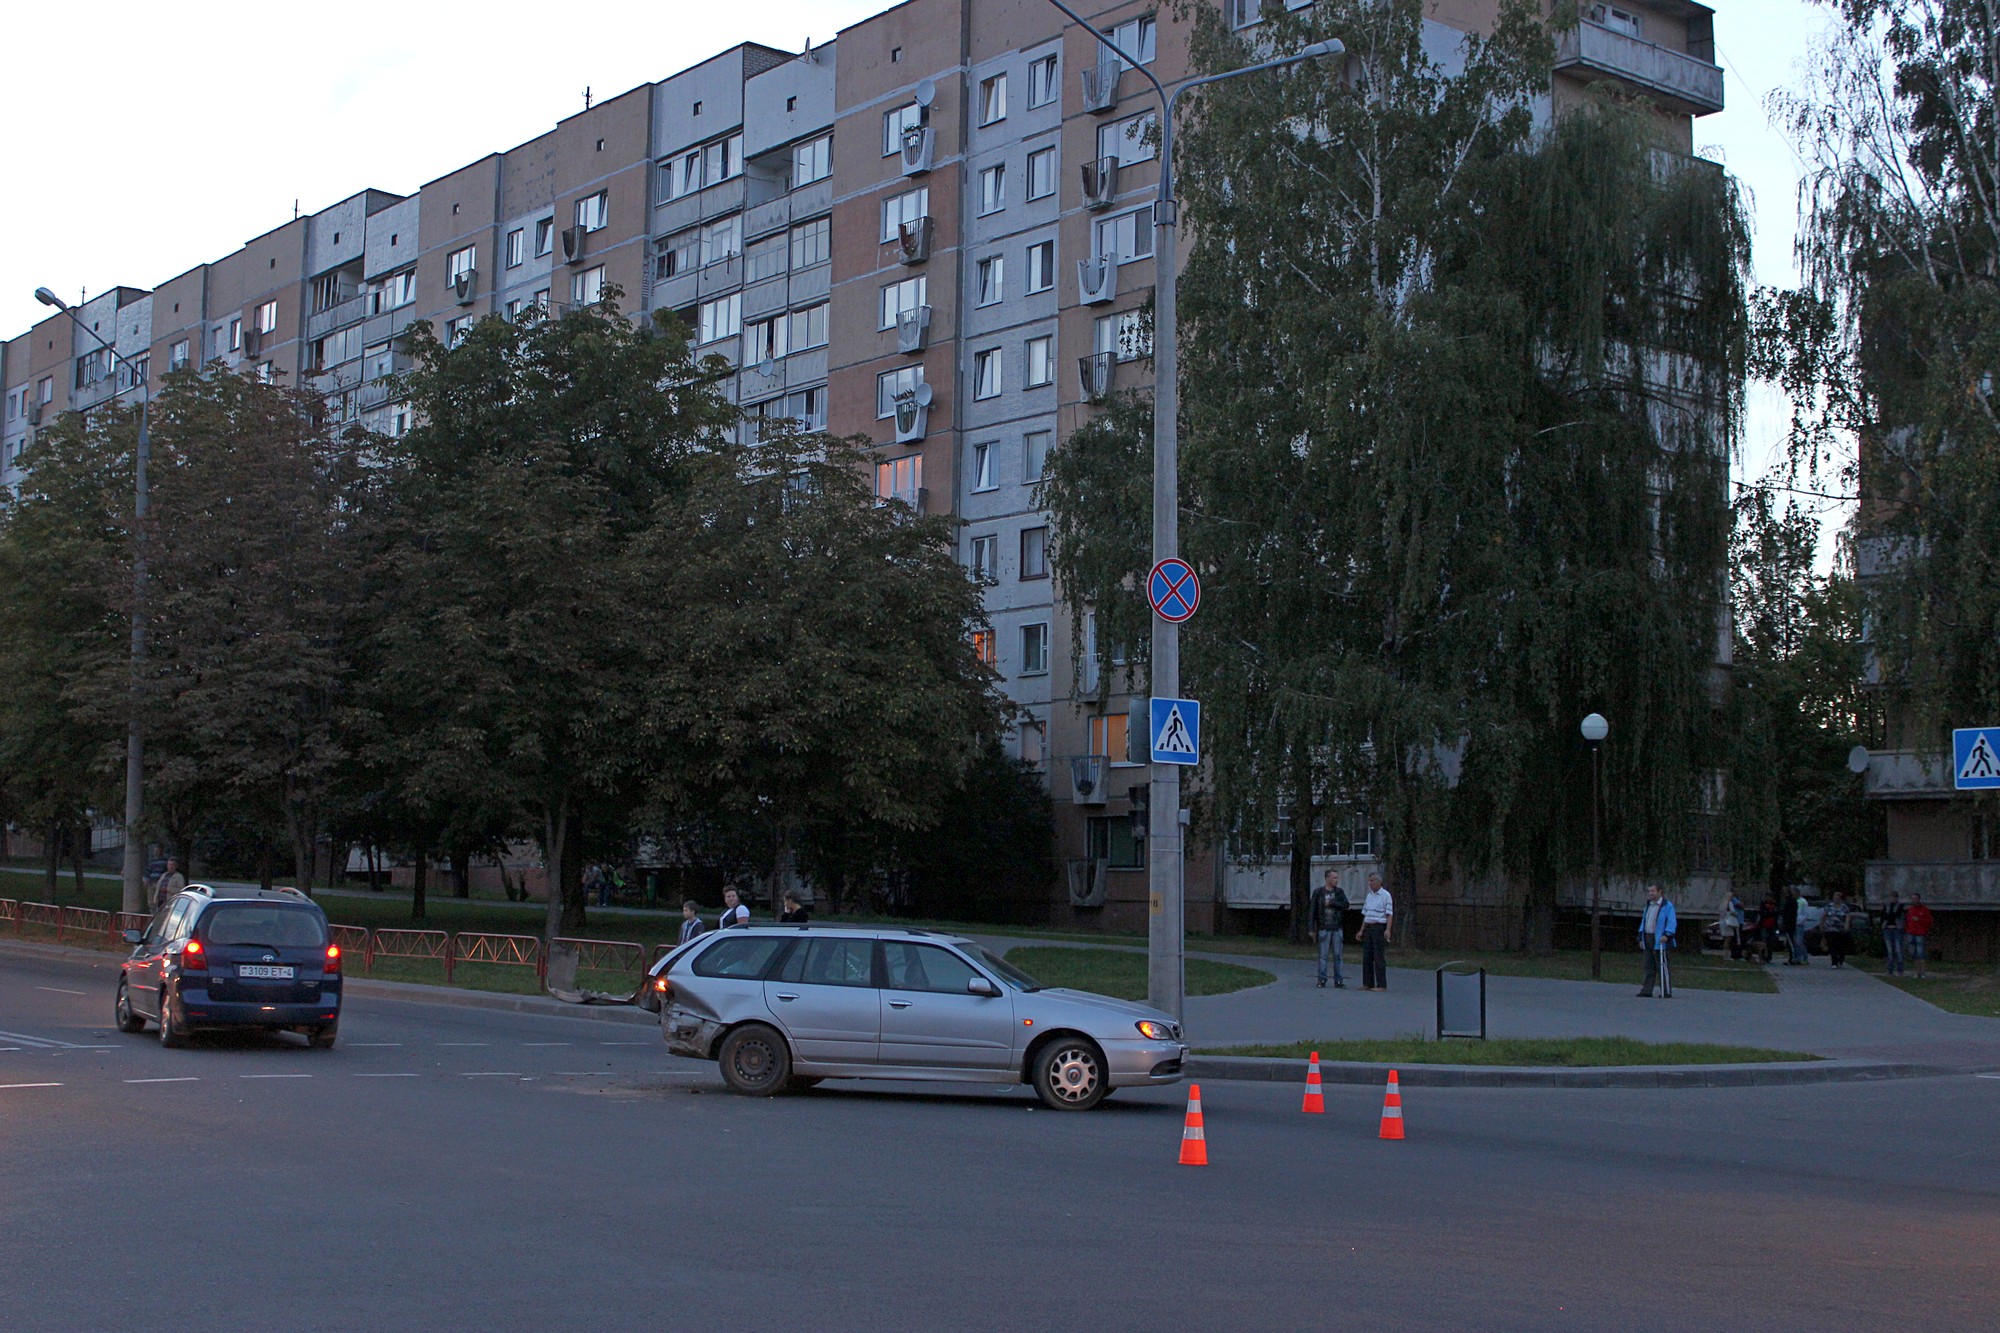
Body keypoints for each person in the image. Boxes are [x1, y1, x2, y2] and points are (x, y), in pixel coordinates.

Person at [1309, 869, 1349, 989]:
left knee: (1338, 955)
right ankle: (1322, 979)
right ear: (1327, 878)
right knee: (1323, 956)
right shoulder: (1318, 892)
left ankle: (1338, 980)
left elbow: (1346, 905)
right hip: (1324, 927)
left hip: (1337, 927)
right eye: (1334, 878)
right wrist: (1311, 928)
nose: (1336, 880)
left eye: (1337, 878)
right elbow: (1312, 911)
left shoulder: (1339, 892)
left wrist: (1332, 903)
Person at [1637, 882, 1677, 998]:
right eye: (1649, 891)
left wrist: (1667, 934)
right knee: (1648, 965)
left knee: (1662, 966)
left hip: (1660, 939)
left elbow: (1671, 922)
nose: (1650, 893)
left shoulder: (1667, 906)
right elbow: (1644, 921)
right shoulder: (1648, 906)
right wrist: (1641, 937)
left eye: (1653, 891)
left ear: (1660, 892)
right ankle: (1647, 990)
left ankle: (1666, 990)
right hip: (1648, 937)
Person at [1359, 872, 1393, 992]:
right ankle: (1367, 983)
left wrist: (1388, 929)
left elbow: (1389, 914)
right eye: (1369, 880)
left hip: (1379, 927)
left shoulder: (1385, 895)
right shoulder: (1369, 896)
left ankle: (1381, 984)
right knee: (1367, 956)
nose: (1370, 883)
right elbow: (1366, 914)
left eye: (1372, 880)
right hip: (1369, 927)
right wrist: (1361, 930)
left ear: (1379, 882)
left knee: (1378, 956)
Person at [1904, 894, 1933, 979]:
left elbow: (1929, 921)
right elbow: (1907, 920)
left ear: (1919, 899)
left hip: (1920, 933)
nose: (1913, 900)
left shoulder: (1924, 909)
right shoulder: (1910, 909)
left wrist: (1919, 920)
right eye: (1912, 898)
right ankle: (1917, 972)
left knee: (1920, 953)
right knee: (1913, 953)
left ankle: (1922, 972)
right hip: (1911, 932)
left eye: (1915, 898)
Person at [1821, 891, 1854, 967]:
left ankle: (1841, 959)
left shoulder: (1844, 907)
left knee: (1840, 946)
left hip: (1840, 930)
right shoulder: (1829, 906)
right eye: (1835, 896)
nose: (1837, 898)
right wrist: (1822, 925)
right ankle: (1834, 962)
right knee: (1832, 945)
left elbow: (1847, 917)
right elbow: (1824, 916)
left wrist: (1846, 926)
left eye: (1839, 896)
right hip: (1830, 929)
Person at [1879, 892, 1908, 977]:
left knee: (1898, 950)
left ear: (1897, 898)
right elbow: (1884, 916)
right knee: (1890, 951)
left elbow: (1896, 915)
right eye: (1891, 897)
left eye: (1894, 897)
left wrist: (1890, 916)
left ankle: (1900, 970)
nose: (1893, 899)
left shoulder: (1900, 906)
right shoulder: (1886, 905)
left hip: (1897, 929)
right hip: (1887, 929)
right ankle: (1890, 970)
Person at [1781, 890, 1807, 966]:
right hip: (1793, 924)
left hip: (1795, 924)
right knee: (1796, 942)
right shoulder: (1792, 901)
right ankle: (1797, 958)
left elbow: (1792, 914)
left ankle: (1798, 958)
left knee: (1797, 942)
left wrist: (1798, 921)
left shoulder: (1797, 902)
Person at [1718, 890, 1745, 961]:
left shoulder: (1722, 904)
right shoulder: (1729, 903)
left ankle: (1725, 954)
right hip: (1729, 922)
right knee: (1729, 939)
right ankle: (1726, 955)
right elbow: (1733, 911)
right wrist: (1736, 914)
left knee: (1726, 939)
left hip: (1722, 921)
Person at [1756, 896, 1780, 964]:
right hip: (1764, 925)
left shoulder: (1775, 904)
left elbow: (1776, 913)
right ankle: (1763, 956)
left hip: (1772, 926)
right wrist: (1770, 913)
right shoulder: (1763, 905)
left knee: (1770, 942)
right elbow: (1763, 913)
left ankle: (1769, 956)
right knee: (1764, 941)